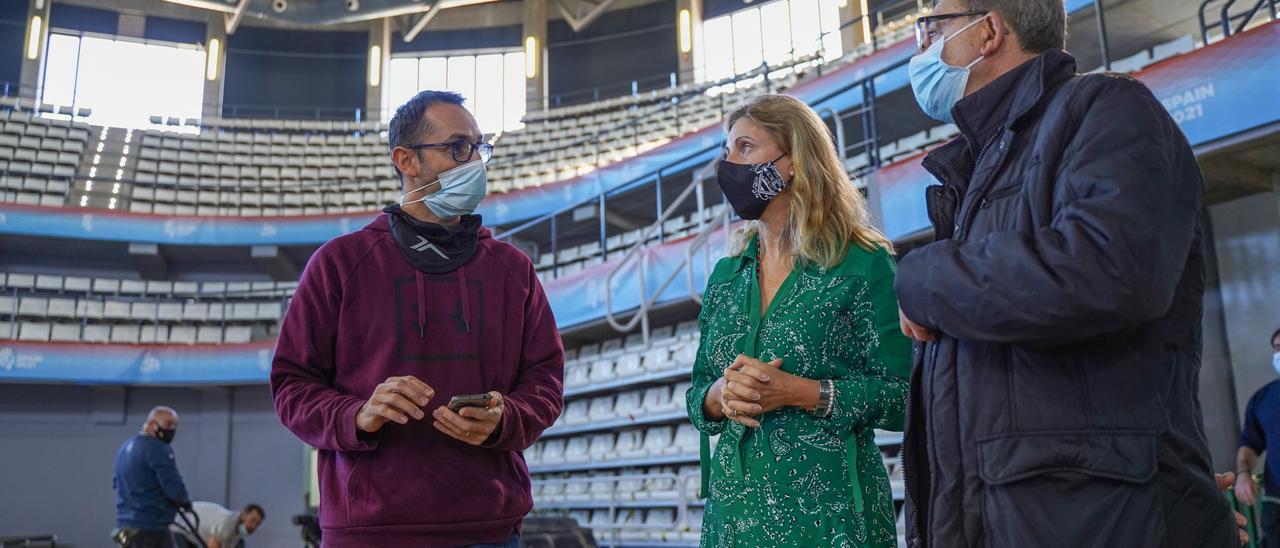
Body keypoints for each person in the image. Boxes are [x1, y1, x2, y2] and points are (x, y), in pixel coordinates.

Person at [892, 0, 1237, 545]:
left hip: (1094, 518)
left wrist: (924, 278)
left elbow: (1110, 269)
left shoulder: (1105, 108)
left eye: (932, 26)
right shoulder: (979, 163)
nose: (921, 47)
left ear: (988, 31)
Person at [270, 90, 565, 547]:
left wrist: (507, 417)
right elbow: (291, 387)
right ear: (406, 160)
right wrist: (357, 414)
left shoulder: (513, 268)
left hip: (490, 529)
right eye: (457, 148)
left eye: (478, 148)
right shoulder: (339, 263)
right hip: (368, 532)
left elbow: (545, 380)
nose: (475, 163)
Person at [684, 94, 912, 546]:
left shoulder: (863, 264)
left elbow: (906, 398)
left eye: (745, 148)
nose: (727, 165)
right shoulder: (726, 277)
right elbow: (698, 396)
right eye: (726, 151)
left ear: (793, 161)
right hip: (734, 520)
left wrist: (802, 393)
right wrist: (720, 395)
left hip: (834, 519)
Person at [113, 406, 190, 548]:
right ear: (153, 425)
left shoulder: (125, 448)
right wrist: (184, 500)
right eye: (168, 424)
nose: (172, 429)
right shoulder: (158, 448)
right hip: (151, 526)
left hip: (125, 525)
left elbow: (116, 483)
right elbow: (171, 483)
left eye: (175, 425)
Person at [1235, 327, 1280, 547]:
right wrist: (1243, 473)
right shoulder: (1263, 399)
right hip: (1277, 504)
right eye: (1278, 348)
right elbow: (1250, 445)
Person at [170, 502, 263, 548]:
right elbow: (213, 544)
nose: (253, 526)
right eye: (252, 520)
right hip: (181, 526)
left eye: (257, 524)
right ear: (243, 514)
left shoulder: (236, 534)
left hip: (191, 533)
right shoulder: (227, 521)